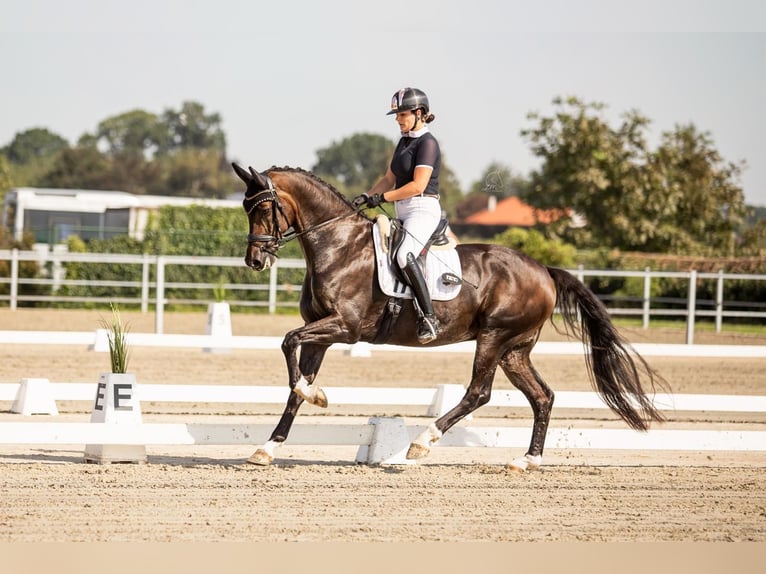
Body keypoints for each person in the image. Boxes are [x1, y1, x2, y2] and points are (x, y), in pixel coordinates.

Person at [353, 87, 442, 344]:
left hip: (422, 209)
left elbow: (418, 186)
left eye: (402, 114)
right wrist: (367, 197)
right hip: (403, 210)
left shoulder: (428, 143)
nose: (398, 119)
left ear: (419, 113)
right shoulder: (404, 142)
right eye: (397, 115)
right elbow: (389, 179)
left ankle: (429, 317)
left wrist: (383, 198)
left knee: (404, 254)